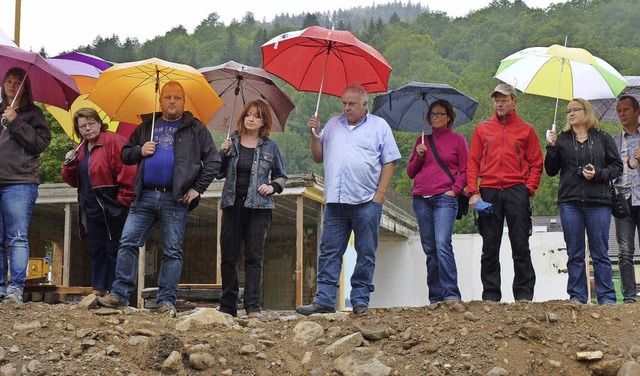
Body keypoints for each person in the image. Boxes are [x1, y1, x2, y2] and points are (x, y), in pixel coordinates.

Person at [97, 81, 221, 315]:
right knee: (127, 243)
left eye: (177, 97)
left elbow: (213, 161)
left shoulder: (196, 128)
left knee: (172, 250)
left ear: (183, 102)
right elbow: (125, 155)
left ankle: (166, 301)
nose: (172, 101)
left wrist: (197, 189)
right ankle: (119, 294)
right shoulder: (146, 126)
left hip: (176, 199)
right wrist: (140, 150)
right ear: (160, 101)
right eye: (167, 97)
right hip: (144, 195)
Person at [296, 83, 401, 316]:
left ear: (365, 104)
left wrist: (379, 196)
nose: (346, 108)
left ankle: (360, 300)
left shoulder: (379, 126)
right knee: (329, 251)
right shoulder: (333, 124)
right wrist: (314, 134)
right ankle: (324, 299)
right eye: (344, 103)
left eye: (351, 104)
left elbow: (389, 162)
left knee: (365, 252)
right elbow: (318, 156)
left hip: (366, 201)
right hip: (335, 201)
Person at [467, 83, 543, 302]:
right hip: (489, 191)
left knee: (520, 244)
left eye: (504, 100)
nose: (499, 104)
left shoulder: (526, 130)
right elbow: (472, 163)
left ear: (514, 102)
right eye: (496, 100)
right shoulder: (482, 129)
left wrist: (528, 188)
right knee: (490, 245)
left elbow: (537, 163)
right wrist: (473, 191)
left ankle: (524, 297)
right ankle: (490, 297)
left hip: (516, 191)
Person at [545, 98, 622, 304]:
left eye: (575, 109)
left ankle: (606, 298)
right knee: (575, 252)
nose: (570, 113)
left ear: (586, 112)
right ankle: (578, 297)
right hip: (570, 202)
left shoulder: (603, 138)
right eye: (568, 111)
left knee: (600, 252)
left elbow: (617, 167)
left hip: (598, 202)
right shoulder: (561, 139)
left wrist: (598, 174)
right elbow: (551, 171)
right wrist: (551, 147)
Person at [217, 100, 287, 319]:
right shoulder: (232, 142)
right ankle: (228, 307)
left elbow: (281, 176)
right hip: (232, 204)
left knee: (254, 257)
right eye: (248, 114)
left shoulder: (270, 147)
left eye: (257, 116)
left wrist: (273, 186)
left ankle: (252, 307)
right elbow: (218, 173)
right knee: (229, 255)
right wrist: (223, 153)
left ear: (264, 121)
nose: (251, 119)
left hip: (259, 207)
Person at [62, 108, 137, 297]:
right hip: (91, 206)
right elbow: (73, 181)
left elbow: (129, 171)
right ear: (78, 130)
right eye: (83, 126)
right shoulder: (80, 149)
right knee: (97, 248)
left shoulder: (113, 140)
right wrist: (69, 164)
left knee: (115, 248)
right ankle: (98, 289)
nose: (88, 128)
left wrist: (123, 201)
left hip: (112, 205)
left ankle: (116, 293)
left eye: (91, 123)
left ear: (98, 123)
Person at [407, 99, 468, 303]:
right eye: (432, 114)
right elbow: (410, 172)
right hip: (421, 198)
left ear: (449, 117)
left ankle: (451, 294)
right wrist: (419, 156)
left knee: (442, 244)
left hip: (444, 198)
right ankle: (435, 297)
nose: (435, 117)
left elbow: (466, 170)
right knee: (430, 249)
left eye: (440, 114)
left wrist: (455, 191)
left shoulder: (458, 140)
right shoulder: (421, 141)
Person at [0, 67, 51, 305]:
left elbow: (39, 144)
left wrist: (15, 121)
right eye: (8, 80)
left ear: (24, 86)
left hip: (19, 182)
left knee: (17, 237)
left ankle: (15, 289)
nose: (11, 84)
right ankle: (1, 289)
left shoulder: (33, 114)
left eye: (17, 81)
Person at [612, 95, 640, 304]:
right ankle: (630, 298)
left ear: (637, 111)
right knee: (624, 252)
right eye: (619, 111)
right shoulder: (614, 141)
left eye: (626, 110)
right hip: (623, 201)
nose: (622, 114)